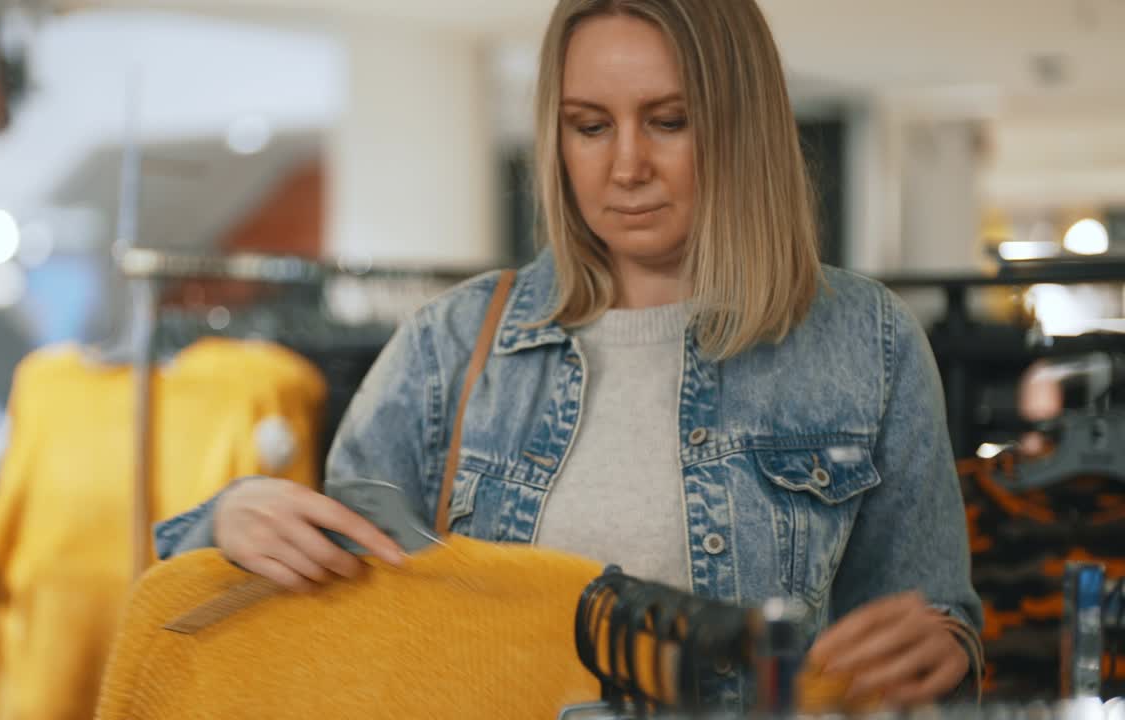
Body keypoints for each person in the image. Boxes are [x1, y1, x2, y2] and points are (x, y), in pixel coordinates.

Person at [155, 0, 982, 710]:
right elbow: (331, 617)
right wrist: (229, 524)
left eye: (669, 121)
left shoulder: (865, 343)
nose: (626, 166)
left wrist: (941, 651)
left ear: (741, 125)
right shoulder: (451, 345)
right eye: (589, 127)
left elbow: (934, 627)